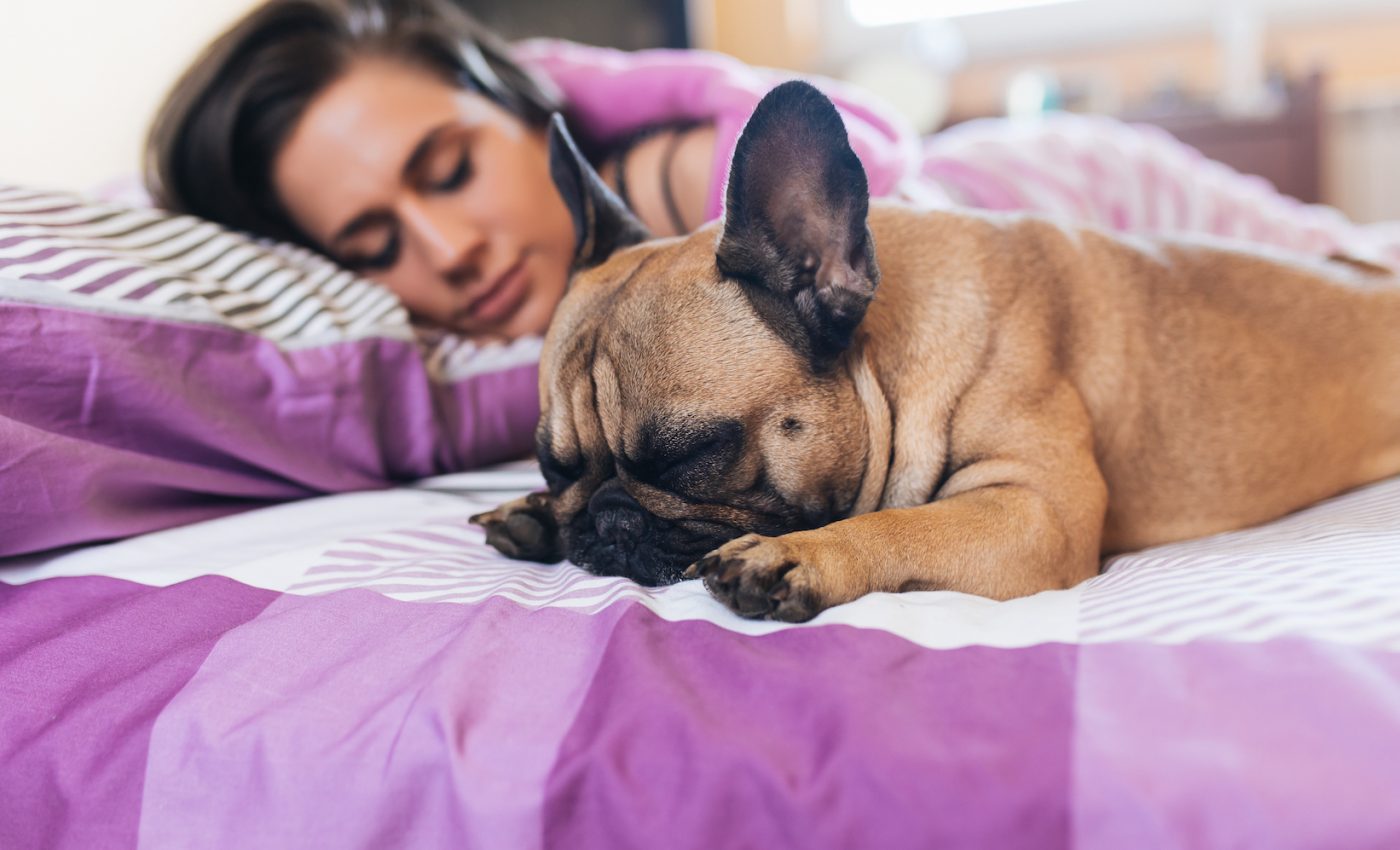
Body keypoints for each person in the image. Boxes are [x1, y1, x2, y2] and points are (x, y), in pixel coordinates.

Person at [148, 0, 1399, 347]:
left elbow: (885, 209)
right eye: (370, 245)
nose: (448, 250)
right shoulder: (437, 355)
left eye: (449, 166)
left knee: (1357, 279)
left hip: (1082, 196)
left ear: (530, 109)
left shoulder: (686, 175)